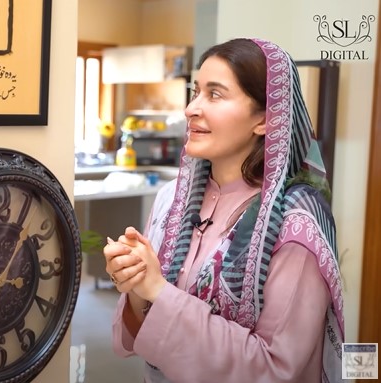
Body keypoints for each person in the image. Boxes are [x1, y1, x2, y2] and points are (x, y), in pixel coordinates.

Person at [103, 38, 344, 383]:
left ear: (264, 119)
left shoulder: (295, 226)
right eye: (195, 91)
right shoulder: (172, 201)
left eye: (214, 94)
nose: (191, 109)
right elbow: (141, 330)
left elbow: (275, 369)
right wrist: (138, 283)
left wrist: (159, 290)